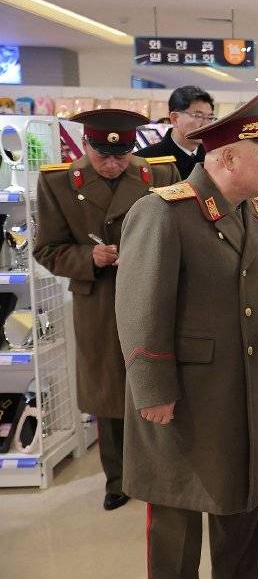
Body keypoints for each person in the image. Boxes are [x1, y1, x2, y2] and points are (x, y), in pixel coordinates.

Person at [115, 87, 258, 579]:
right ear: (228, 158)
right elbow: (141, 307)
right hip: (184, 393)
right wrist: (152, 390)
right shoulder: (165, 211)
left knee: (243, 494)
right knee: (177, 508)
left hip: (243, 383)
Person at [33, 109, 179, 512]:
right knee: (109, 390)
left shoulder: (160, 174)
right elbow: (47, 249)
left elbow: (180, 232)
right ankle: (118, 478)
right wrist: (88, 257)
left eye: (121, 155)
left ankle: (161, 468)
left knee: (155, 378)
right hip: (98, 300)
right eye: (103, 156)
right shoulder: (58, 182)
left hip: (152, 293)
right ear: (86, 145)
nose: (113, 165)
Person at [136, 85, 215, 178]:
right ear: (174, 118)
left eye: (210, 117)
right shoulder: (145, 160)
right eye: (198, 116)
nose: (206, 124)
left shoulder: (214, 158)